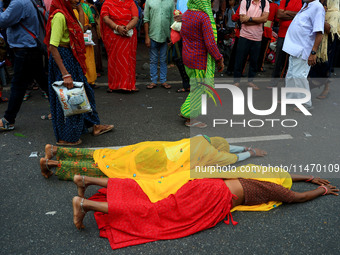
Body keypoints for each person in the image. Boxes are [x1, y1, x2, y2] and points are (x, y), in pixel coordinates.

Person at [70, 172, 338, 249]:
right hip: (213, 198)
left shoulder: (268, 176)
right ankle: (87, 204)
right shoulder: (276, 190)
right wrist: (322, 191)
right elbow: (298, 197)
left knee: (151, 191)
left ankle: (87, 180)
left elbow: (289, 176)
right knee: (158, 214)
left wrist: (311, 177)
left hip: (205, 186)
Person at [40, 135, 267, 201]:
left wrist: (245, 146)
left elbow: (228, 147)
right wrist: (252, 153)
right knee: (105, 169)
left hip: (151, 148)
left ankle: (55, 151)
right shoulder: (213, 157)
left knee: (106, 155)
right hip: (153, 164)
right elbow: (232, 160)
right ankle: (53, 164)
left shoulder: (201, 139)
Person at [44, 0, 113, 145]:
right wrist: (65, 73)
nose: (77, 0)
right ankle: (67, 138)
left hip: (70, 57)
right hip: (63, 59)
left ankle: (94, 125)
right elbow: (52, 47)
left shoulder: (69, 13)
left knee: (85, 92)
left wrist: (80, 9)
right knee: (70, 98)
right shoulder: (59, 16)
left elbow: (80, 30)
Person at [0, 0, 49, 131]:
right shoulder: (26, 1)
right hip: (29, 48)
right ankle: (62, 111)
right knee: (43, 82)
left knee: (18, 85)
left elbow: (2, 21)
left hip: (25, 49)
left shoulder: (18, 2)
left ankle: (8, 120)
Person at [179, 0, 224, 128]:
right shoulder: (203, 17)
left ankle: (188, 112)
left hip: (187, 58)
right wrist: (219, 58)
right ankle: (189, 116)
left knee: (196, 87)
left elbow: (183, 34)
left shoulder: (187, 14)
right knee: (201, 89)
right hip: (199, 61)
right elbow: (210, 43)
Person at [282, 0, 325, 112]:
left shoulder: (317, 7)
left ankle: (306, 104)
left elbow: (319, 33)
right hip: (295, 48)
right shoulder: (306, 5)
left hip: (303, 49)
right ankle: (290, 98)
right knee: (291, 74)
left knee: (299, 76)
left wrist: (313, 52)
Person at [101, 0, 139, 92]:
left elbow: (135, 18)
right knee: (114, 59)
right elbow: (105, 18)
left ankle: (128, 85)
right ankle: (114, 85)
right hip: (113, 36)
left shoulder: (130, 2)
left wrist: (127, 28)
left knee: (128, 59)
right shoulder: (107, 3)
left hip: (128, 35)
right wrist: (117, 27)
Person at [233, 0, 269, 90]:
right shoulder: (245, 1)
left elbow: (264, 19)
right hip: (244, 36)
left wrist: (249, 19)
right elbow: (242, 19)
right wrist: (258, 20)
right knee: (240, 59)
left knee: (254, 61)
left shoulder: (265, 2)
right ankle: (236, 81)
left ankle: (251, 81)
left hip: (257, 37)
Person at [267, 0, 303, 89]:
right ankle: (274, 82)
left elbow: (303, 16)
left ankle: (287, 84)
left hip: (296, 36)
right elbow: (279, 15)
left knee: (291, 62)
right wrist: (296, 14)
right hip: (283, 34)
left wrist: (286, 12)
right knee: (279, 59)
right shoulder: (285, 0)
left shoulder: (303, 1)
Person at [144, 0, 174, 89]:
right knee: (153, 60)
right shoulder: (149, 1)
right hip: (153, 35)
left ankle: (163, 81)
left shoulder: (170, 2)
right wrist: (146, 37)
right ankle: (153, 81)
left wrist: (172, 36)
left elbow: (172, 20)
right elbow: (146, 20)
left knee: (163, 60)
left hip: (165, 36)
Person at [74, 0, 97, 89]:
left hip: (85, 37)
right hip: (74, 36)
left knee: (89, 59)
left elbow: (92, 21)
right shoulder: (69, 8)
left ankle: (90, 80)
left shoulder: (86, 7)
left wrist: (87, 26)